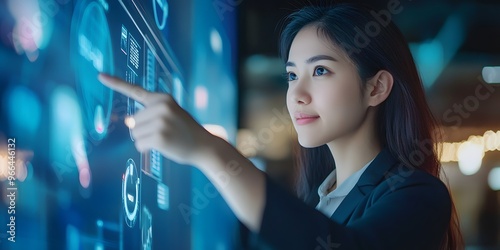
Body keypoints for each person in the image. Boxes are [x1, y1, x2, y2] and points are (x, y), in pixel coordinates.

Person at [98, 3, 463, 249]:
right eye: (291, 75)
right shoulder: (314, 199)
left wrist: (209, 149)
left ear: (376, 87)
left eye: (320, 71)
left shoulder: (420, 195)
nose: (297, 95)